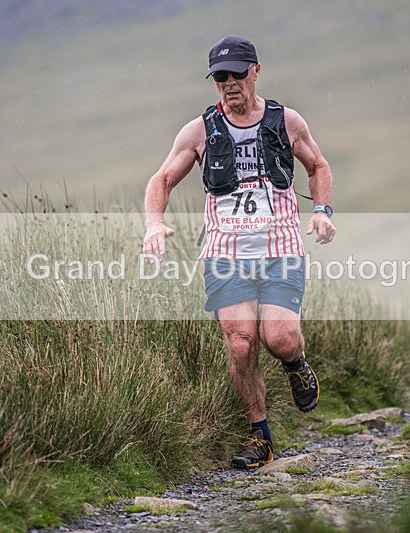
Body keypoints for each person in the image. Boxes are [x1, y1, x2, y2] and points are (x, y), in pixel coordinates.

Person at [142, 35, 336, 468]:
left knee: (279, 338)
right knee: (242, 343)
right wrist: (153, 223)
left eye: (237, 74)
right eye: (220, 77)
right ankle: (259, 436)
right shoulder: (200, 131)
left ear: (256, 71)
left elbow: (318, 165)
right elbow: (162, 179)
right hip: (224, 252)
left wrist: (322, 211)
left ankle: (295, 364)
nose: (229, 83)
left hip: (280, 247)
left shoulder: (287, 121)